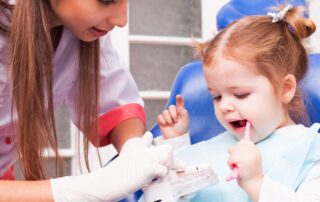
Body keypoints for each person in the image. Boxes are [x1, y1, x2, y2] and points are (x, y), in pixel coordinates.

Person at [0, 0, 174, 201]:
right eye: (106, 0)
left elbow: (117, 104)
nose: (121, 20)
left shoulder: (79, 29)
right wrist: (85, 190)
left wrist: (134, 150)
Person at [154, 4, 320, 202]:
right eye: (217, 96)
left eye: (240, 94)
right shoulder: (219, 145)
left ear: (285, 89)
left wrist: (256, 183)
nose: (225, 106)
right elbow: (176, 191)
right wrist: (177, 143)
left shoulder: (310, 153)